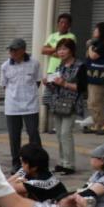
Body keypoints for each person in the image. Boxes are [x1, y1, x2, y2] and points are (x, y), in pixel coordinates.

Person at [0, 38, 42, 169]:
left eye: (14, 50)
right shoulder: (5, 66)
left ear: (23, 50)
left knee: (33, 134)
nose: (12, 53)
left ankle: (37, 162)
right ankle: (16, 163)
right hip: (12, 106)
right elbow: (4, 85)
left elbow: (38, 81)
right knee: (14, 136)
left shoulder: (35, 63)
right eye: (10, 50)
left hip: (31, 106)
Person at [45, 38, 85, 175]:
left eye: (64, 49)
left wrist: (64, 84)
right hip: (58, 103)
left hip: (72, 104)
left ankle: (69, 164)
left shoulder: (80, 66)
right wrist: (49, 83)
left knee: (65, 134)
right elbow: (56, 88)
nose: (61, 52)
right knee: (59, 135)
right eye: (59, 49)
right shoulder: (60, 66)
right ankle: (62, 162)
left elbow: (82, 88)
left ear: (71, 50)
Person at [40, 12, 76, 133]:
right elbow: (43, 50)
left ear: (69, 25)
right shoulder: (53, 35)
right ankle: (52, 124)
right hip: (52, 70)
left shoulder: (71, 37)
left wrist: (53, 51)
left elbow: (62, 53)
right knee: (49, 98)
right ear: (57, 24)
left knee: (62, 97)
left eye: (66, 23)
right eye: (61, 22)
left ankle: (60, 124)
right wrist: (57, 49)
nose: (63, 24)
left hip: (64, 71)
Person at [82, 38, 104, 134]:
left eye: (97, 29)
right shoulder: (98, 44)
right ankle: (97, 124)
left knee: (96, 102)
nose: (94, 32)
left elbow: (93, 56)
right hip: (93, 75)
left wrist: (90, 46)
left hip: (100, 77)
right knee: (91, 102)